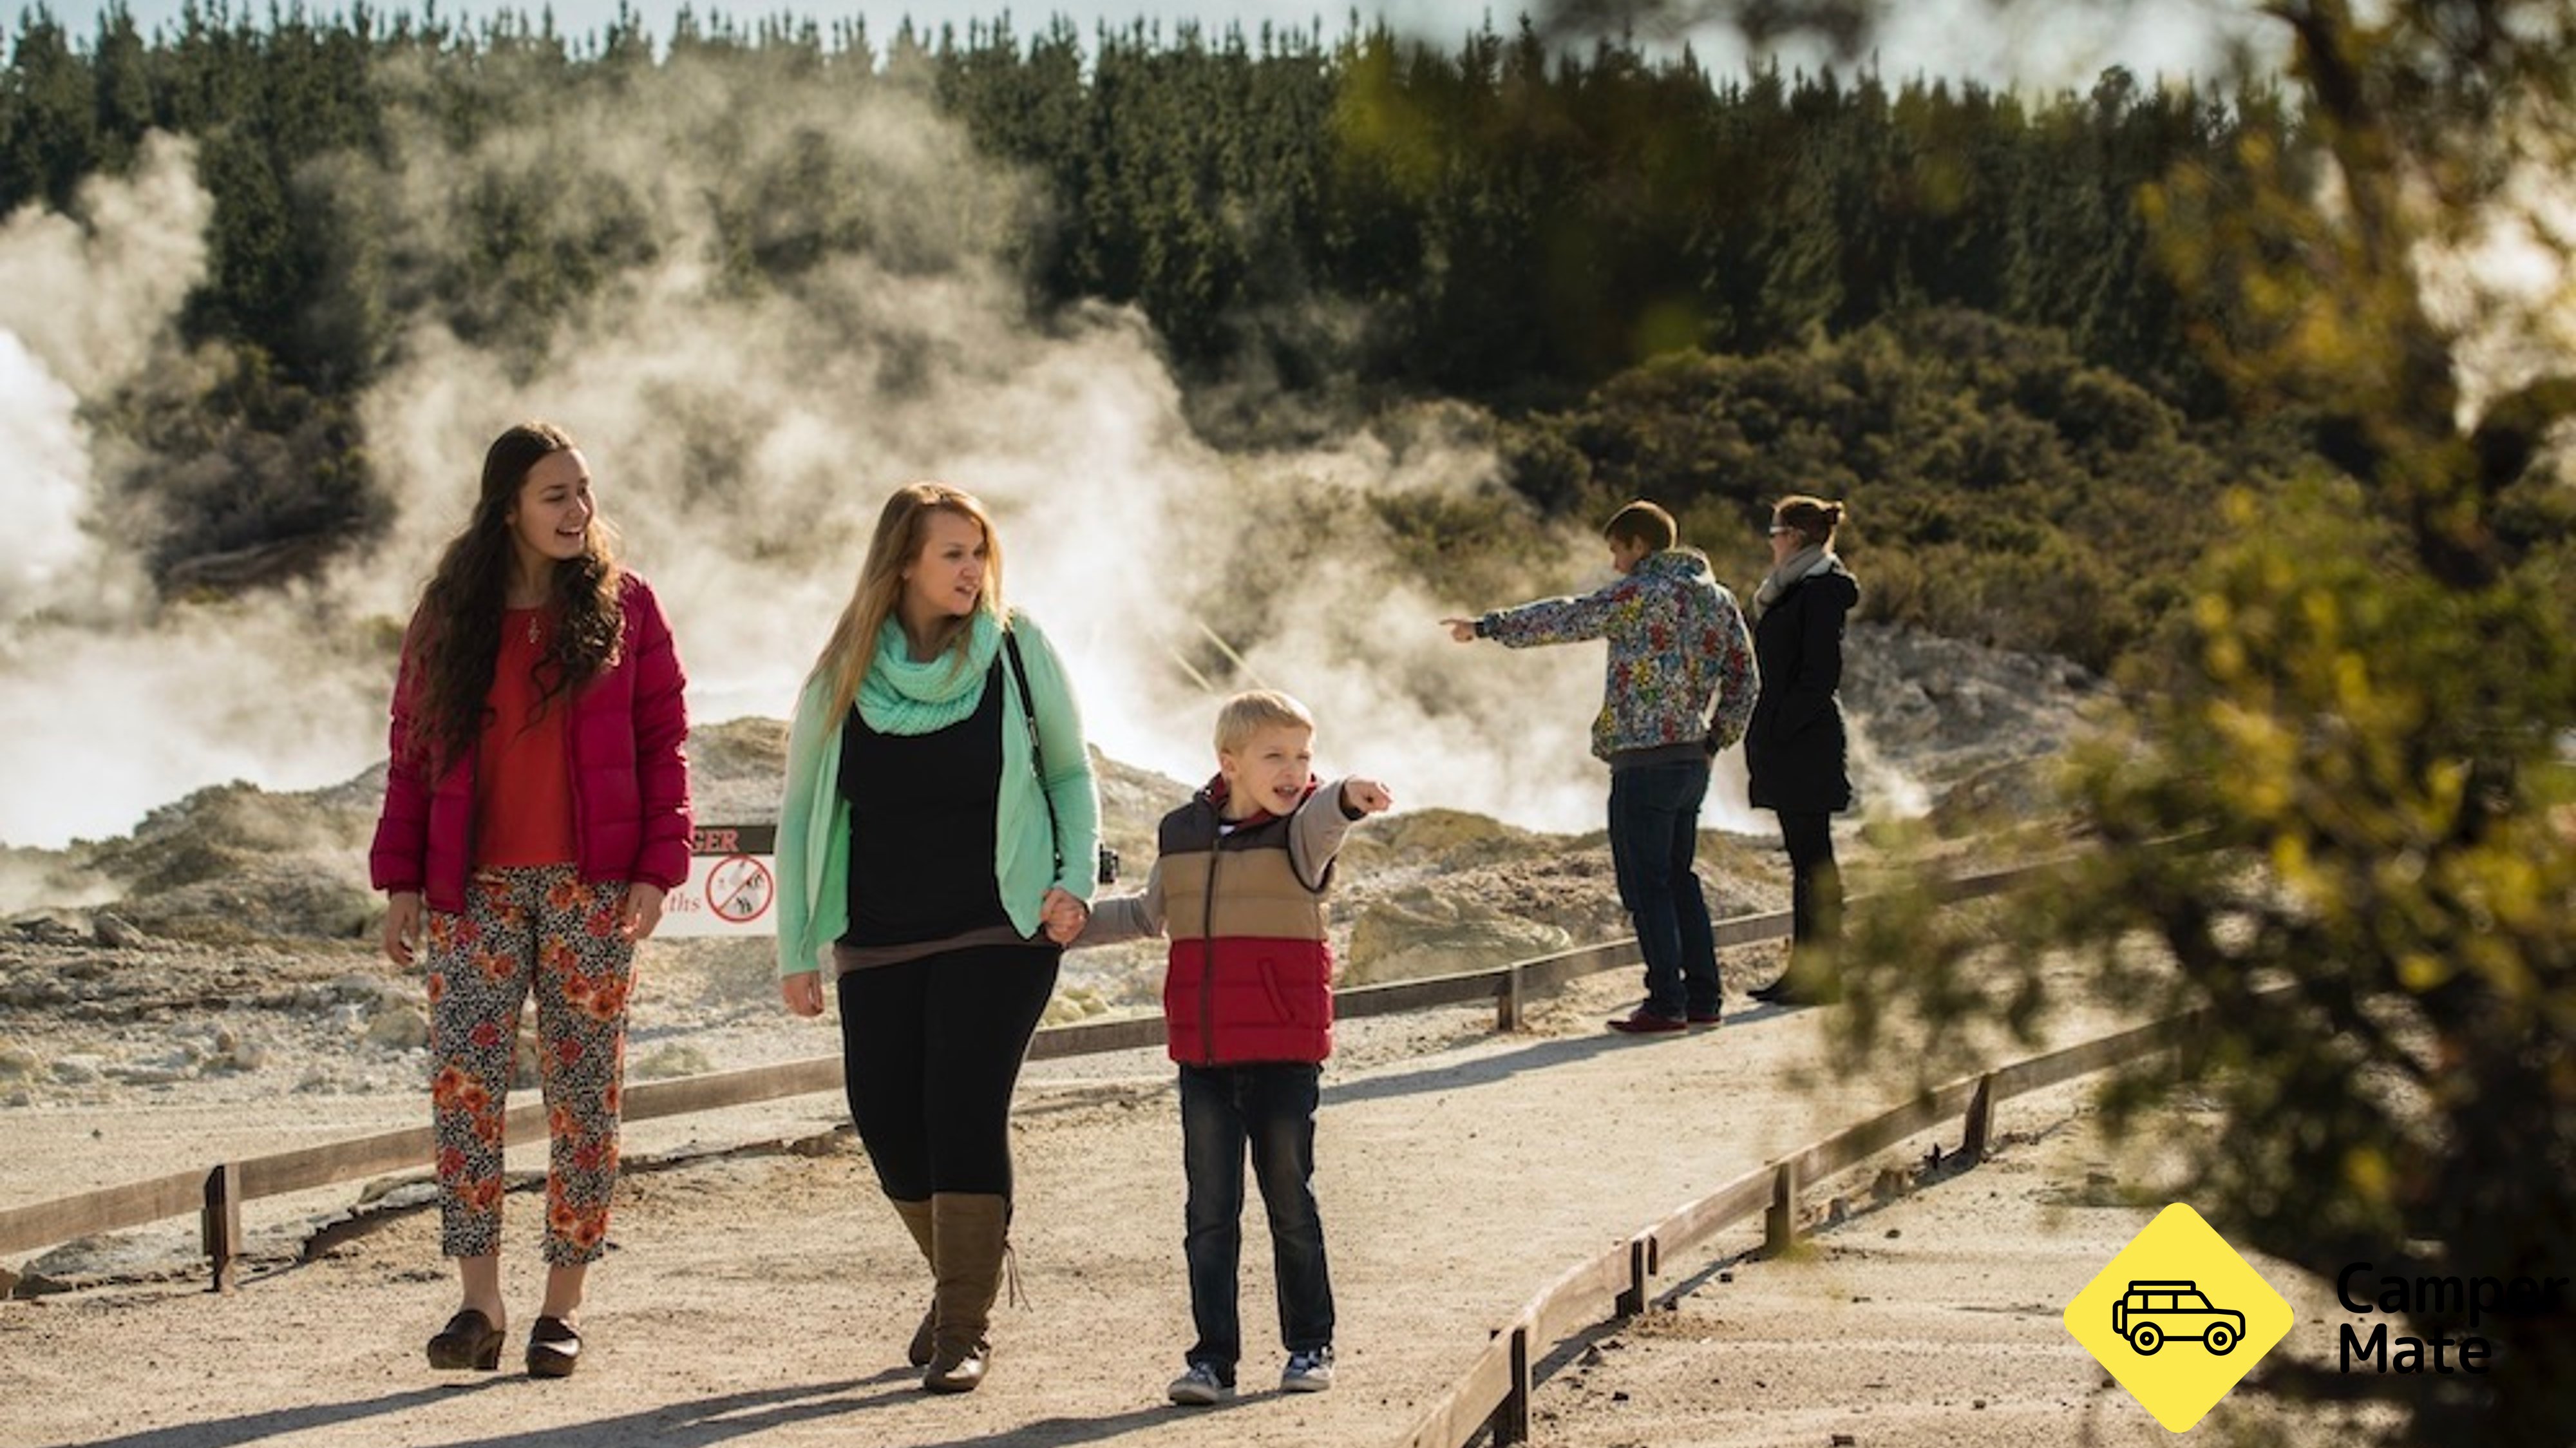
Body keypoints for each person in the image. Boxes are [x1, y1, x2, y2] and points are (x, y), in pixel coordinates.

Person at [370, 421, 693, 1379]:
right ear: (507, 506)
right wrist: (400, 883)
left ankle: (563, 1307)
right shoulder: (449, 614)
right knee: (464, 1093)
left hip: (592, 891)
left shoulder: (628, 607)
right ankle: (479, 1304)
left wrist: (655, 868)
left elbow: (664, 743)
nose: (577, 512)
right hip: (473, 894)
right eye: (555, 495)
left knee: (583, 1097)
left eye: (583, 493)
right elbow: (411, 749)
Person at [773, 482, 1099, 1395]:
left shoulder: (1016, 649)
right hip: (876, 933)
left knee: (962, 1104)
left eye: (979, 551)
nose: (972, 569)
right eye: (952, 552)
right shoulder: (842, 668)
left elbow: (1071, 774)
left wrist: (1074, 880)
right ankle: (964, 1274)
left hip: (1001, 924)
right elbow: (802, 811)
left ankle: (964, 1322)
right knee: (885, 1121)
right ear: (902, 563)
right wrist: (795, 947)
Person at [1072, 689, 1391, 1406]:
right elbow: (1147, 915)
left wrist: (1349, 793)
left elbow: (1326, 812)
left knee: (1290, 1204)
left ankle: (1310, 1343)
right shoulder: (1181, 833)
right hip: (1203, 1058)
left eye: (1304, 756)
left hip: (1283, 1055)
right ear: (1229, 762)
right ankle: (1211, 1360)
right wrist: (1067, 924)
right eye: (1274, 756)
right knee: (1208, 1215)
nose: (1293, 770)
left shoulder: (1302, 833)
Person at [1441, 500, 1756, 1034]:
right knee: (1681, 879)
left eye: (1618, 550)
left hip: (1643, 763)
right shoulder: (1718, 599)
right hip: (1690, 762)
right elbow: (1746, 680)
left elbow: (1566, 616)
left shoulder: (1641, 594)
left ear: (1640, 546)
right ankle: (1705, 997)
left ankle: (1665, 1003)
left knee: (1646, 885)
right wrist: (1714, 741)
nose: (1615, 564)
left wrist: (1486, 627)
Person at [1743, 495, 1860, 1007]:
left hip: (1805, 741)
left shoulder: (1820, 591)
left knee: (1815, 861)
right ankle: (1804, 969)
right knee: (1804, 860)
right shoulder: (1794, 590)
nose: (1770, 542)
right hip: (1792, 738)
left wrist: (1780, 728)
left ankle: (1824, 972)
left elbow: (1819, 676)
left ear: (1793, 536)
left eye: (1774, 532)